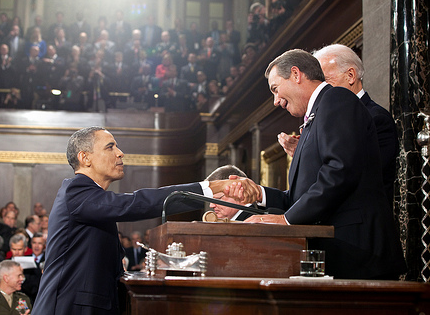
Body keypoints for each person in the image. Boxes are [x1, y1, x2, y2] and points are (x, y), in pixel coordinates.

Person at [32, 126, 261, 314]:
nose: (120, 153)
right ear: (85, 158)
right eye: (110, 147)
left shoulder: (90, 198)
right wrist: (211, 187)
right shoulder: (76, 190)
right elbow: (136, 203)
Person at [244, 49, 405, 280]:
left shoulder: (337, 98)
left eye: (275, 89)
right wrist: (258, 194)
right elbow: (302, 197)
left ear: (296, 74)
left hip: (356, 252)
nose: (276, 101)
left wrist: (286, 220)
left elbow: (340, 171)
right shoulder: (314, 118)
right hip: (338, 253)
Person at [278, 44, 398, 207]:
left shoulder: (376, 118)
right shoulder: (322, 118)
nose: (319, 89)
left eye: (325, 81)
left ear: (350, 75)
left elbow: (351, 175)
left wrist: (314, 153)